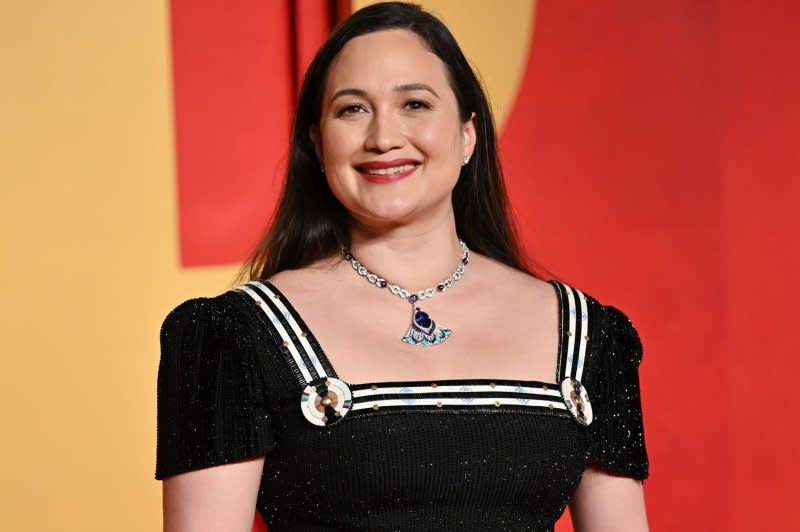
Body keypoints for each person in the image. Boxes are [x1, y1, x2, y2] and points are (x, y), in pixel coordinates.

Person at [155, 2, 650, 530]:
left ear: (467, 134)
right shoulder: (234, 335)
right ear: (317, 144)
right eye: (352, 109)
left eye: (414, 103)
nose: (383, 137)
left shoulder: (586, 335)